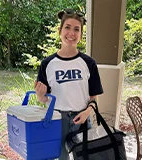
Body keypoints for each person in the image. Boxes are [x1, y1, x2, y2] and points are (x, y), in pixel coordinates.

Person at [34, 8, 104, 160]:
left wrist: (87, 113)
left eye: (76, 29)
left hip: (83, 120)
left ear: (81, 35)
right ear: (60, 30)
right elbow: (45, 99)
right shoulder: (47, 64)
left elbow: (94, 99)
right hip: (57, 120)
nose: (71, 33)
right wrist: (40, 96)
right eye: (67, 27)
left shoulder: (88, 63)